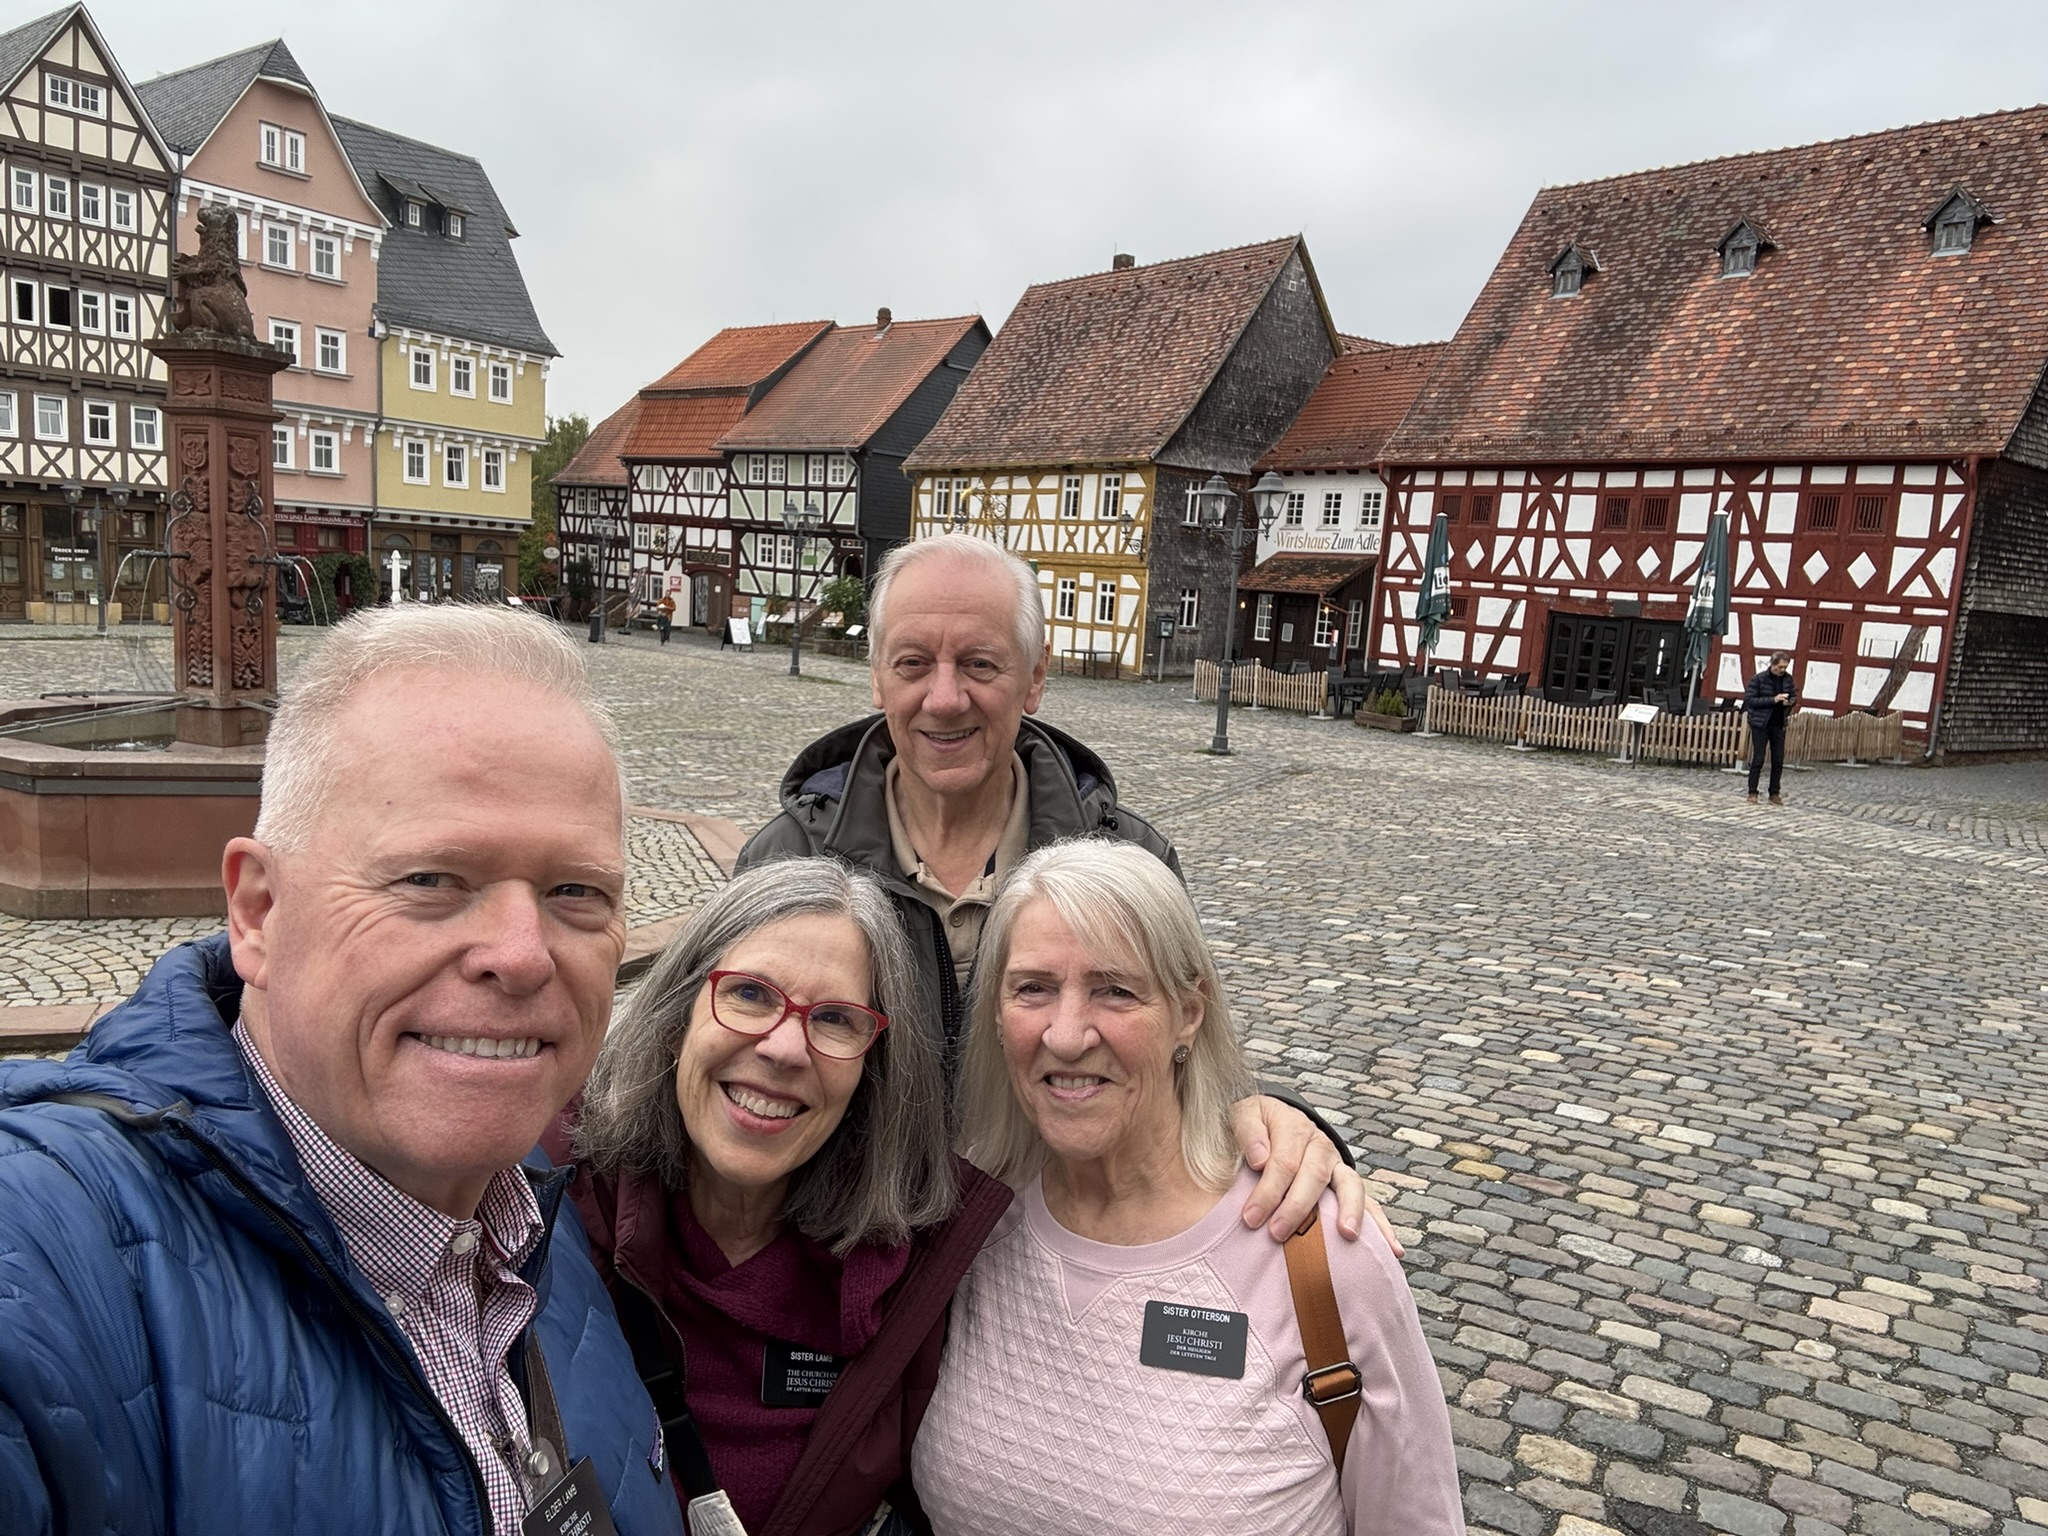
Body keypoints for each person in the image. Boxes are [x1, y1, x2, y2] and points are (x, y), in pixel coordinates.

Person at [0, 607, 683, 1536]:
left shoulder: (534, 1216)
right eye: (431, 880)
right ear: (259, 911)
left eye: (577, 891)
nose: (523, 955)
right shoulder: (46, 1262)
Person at [739, 534, 1377, 1247]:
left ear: (1035, 676)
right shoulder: (788, 859)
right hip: (841, 1259)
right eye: (913, 663)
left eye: (980, 664)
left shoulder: (1128, 862)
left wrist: (1278, 1116)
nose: (944, 699)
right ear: (877, 678)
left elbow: (1186, 1065)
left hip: (1046, 1259)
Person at [912, 841, 1462, 1535]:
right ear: (996, 1012)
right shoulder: (970, 1222)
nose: (1068, 1034)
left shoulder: (1320, 1256)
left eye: (1116, 990)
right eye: (1033, 988)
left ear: (1189, 1012)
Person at [552, 857, 1009, 1536]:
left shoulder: (923, 1261)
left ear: (871, 1067)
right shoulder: (543, 1200)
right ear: (680, 1014)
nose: (785, 1048)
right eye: (750, 994)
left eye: (835, 1019)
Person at [1745, 650, 1799, 804]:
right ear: (1772, 664)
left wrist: (1789, 702)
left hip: (1778, 723)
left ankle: (1774, 792)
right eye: (1780, 667)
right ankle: (1752, 792)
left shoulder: (1787, 679)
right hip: (1760, 724)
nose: (1782, 670)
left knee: (1778, 760)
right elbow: (1750, 701)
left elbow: (1793, 696)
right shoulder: (1759, 679)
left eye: (1785, 667)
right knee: (1758, 759)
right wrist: (1773, 700)